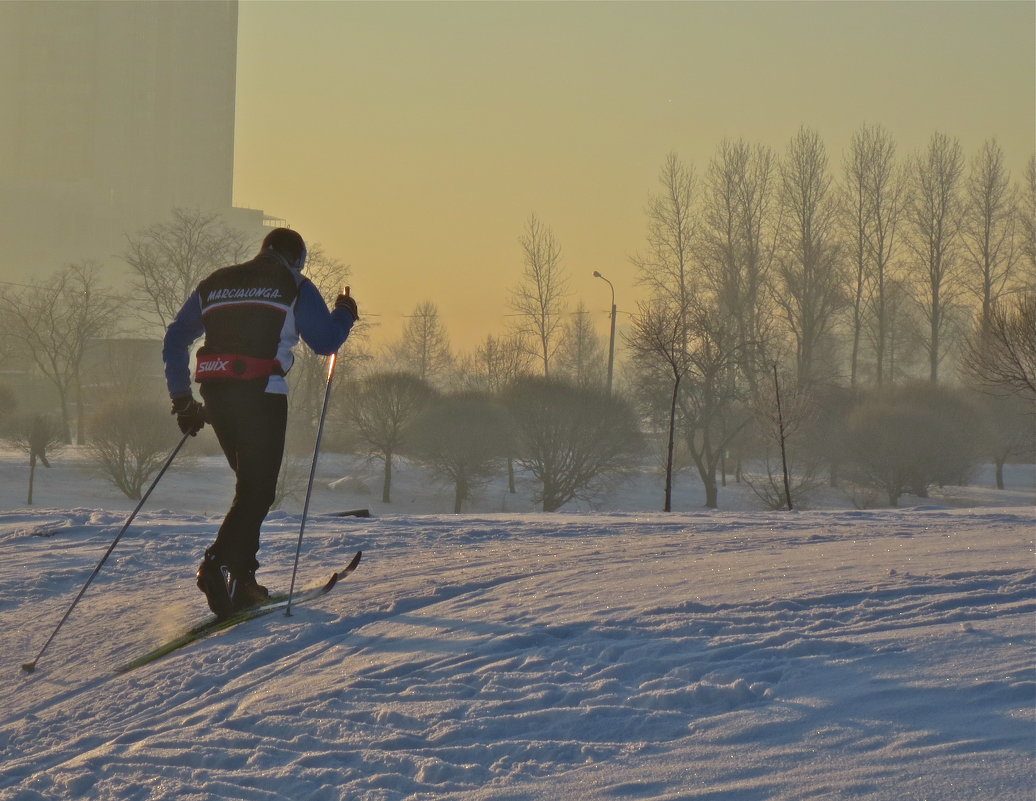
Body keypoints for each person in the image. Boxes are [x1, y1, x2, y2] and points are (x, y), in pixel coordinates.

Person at [162, 227, 357, 618]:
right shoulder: (294, 284)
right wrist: (345, 313)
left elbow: (175, 338)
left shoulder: (214, 283)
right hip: (261, 393)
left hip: (214, 394)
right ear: (296, 258)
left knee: (250, 490)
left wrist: (183, 400)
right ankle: (216, 565)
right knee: (257, 490)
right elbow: (324, 341)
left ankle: (243, 581)